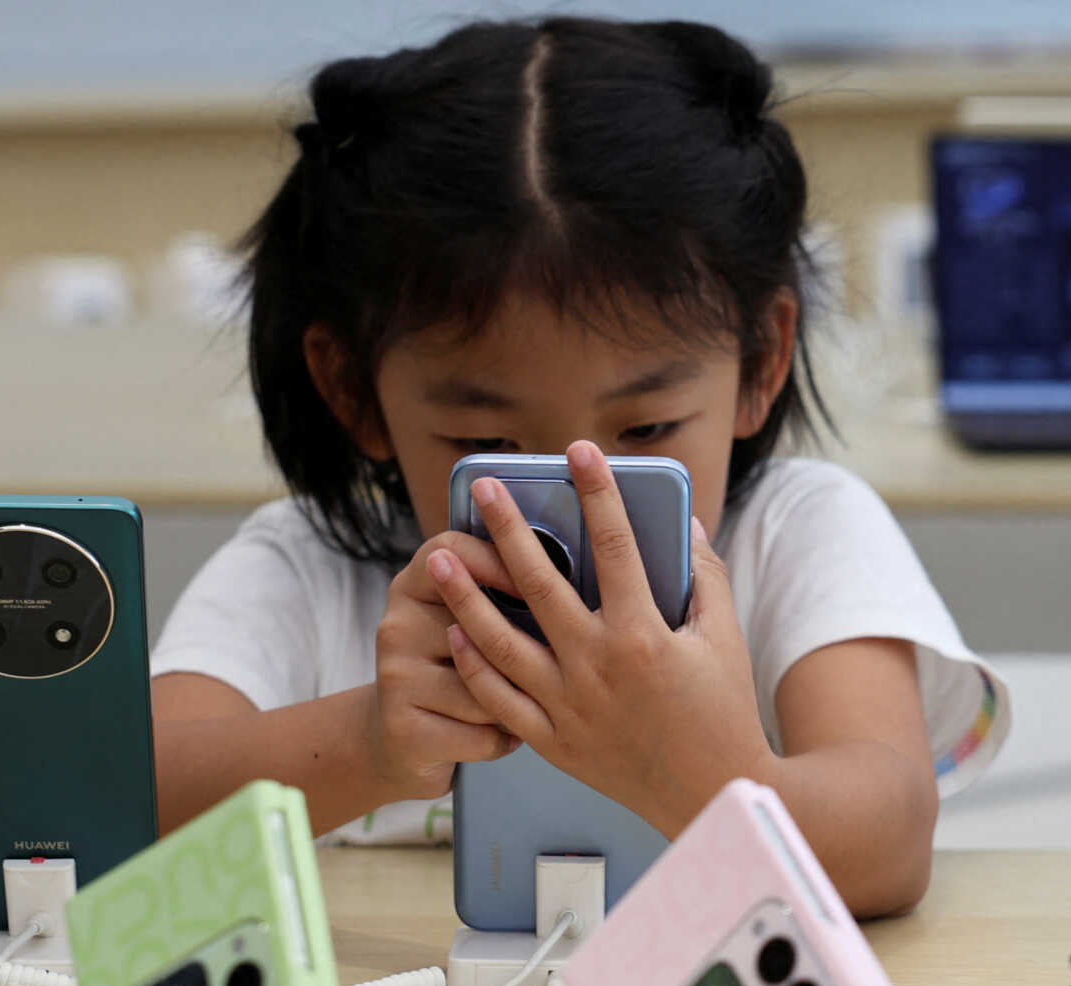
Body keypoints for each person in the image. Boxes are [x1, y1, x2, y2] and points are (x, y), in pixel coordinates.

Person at [150, 18, 1008, 917]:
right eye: (489, 444)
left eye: (645, 428)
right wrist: (367, 741)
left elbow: (892, 846)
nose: (572, 494)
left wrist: (709, 769)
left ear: (761, 362)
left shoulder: (799, 533)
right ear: (354, 391)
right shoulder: (306, 568)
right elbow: (114, 814)